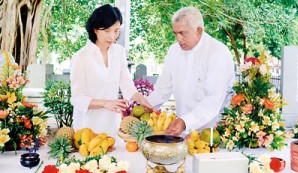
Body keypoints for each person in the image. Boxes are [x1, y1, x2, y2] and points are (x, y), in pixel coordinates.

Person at [147, 7, 235, 136]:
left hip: (213, 133)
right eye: (175, 33)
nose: (178, 38)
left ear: (198, 31)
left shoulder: (218, 53)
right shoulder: (174, 51)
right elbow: (162, 89)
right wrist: (143, 106)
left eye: (183, 33)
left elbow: (213, 99)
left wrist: (185, 122)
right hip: (181, 132)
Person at [70, 4, 152, 134]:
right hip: (87, 126)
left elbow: (126, 84)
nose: (112, 37)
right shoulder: (81, 57)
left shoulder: (119, 52)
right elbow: (77, 98)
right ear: (95, 29)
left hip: (112, 123)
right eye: (107, 31)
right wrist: (105, 103)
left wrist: (142, 100)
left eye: (116, 31)